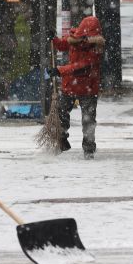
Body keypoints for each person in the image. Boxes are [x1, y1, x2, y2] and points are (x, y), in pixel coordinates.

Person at [48, 16, 104, 160]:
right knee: (61, 113)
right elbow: (62, 44)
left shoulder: (96, 49)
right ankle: (61, 140)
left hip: (88, 89)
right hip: (69, 86)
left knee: (88, 120)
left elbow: (82, 67)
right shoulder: (74, 39)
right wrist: (53, 39)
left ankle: (89, 149)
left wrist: (59, 71)